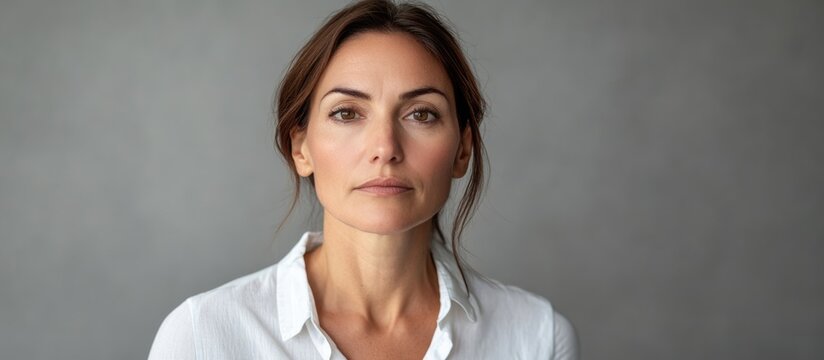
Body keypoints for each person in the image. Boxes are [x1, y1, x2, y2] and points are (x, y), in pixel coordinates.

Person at [148, 0, 579, 359]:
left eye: (421, 114)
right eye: (347, 113)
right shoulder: (203, 338)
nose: (385, 147)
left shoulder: (537, 338)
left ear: (462, 150)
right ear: (301, 149)